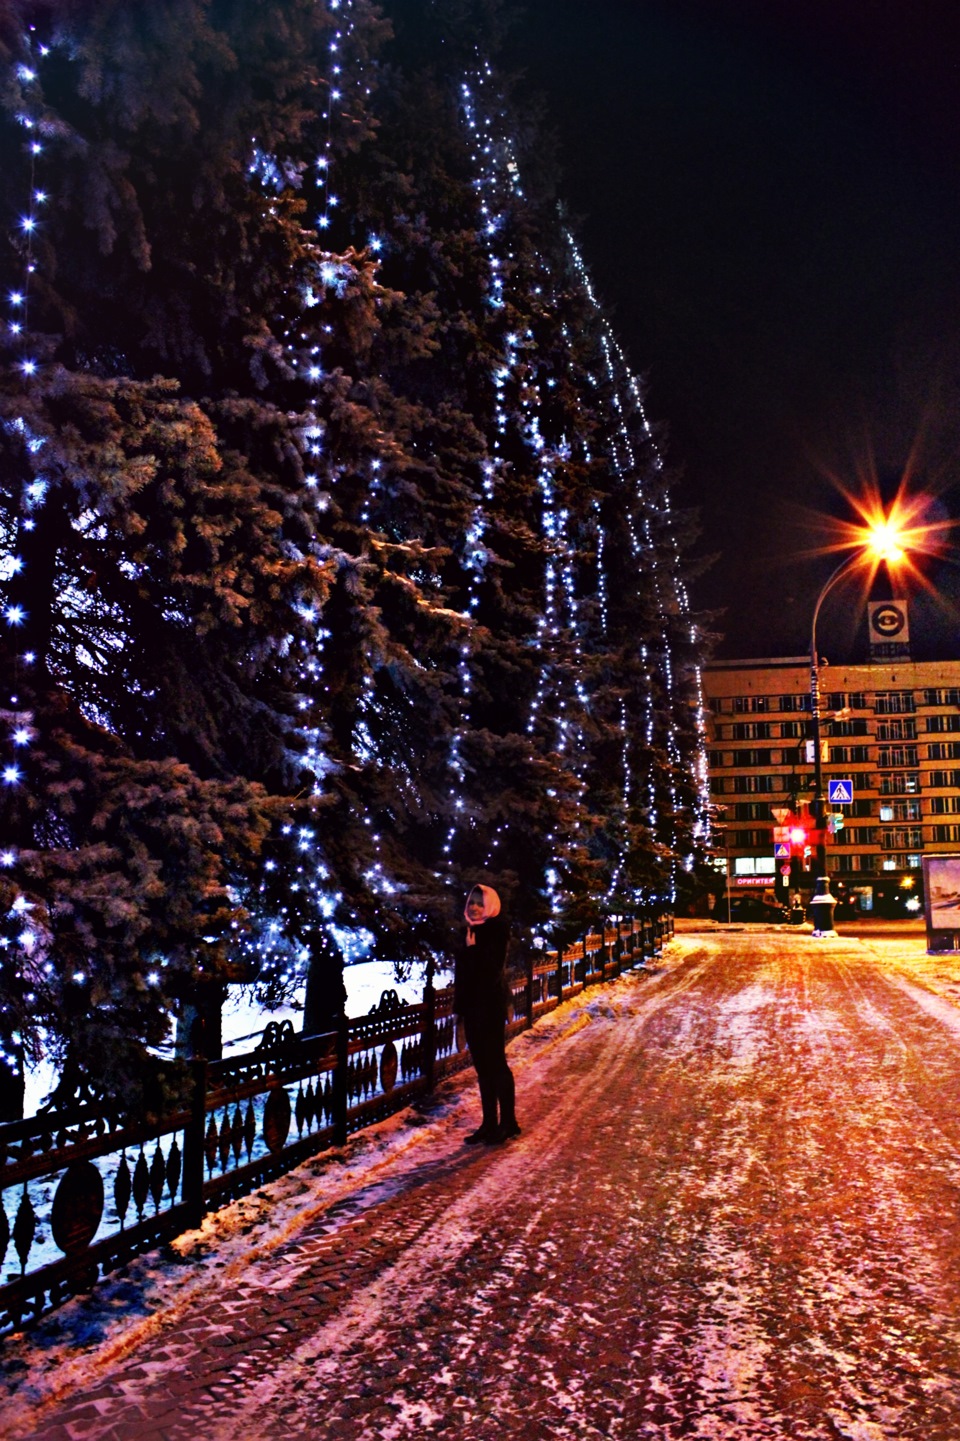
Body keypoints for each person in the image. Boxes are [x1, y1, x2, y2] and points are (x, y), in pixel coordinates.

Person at [454, 884, 520, 1145]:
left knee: (496, 1064)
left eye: (480, 903)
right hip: (472, 1007)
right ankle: (489, 1123)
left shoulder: (496, 930)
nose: (474, 907)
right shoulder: (470, 930)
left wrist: (471, 952)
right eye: (472, 902)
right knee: (482, 1068)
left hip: (489, 1007)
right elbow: (464, 975)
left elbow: (490, 972)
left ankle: (509, 1123)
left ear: (490, 905)